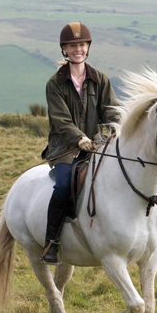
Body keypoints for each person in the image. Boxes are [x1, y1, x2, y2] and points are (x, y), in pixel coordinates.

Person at [40, 22, 120, 264]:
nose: (78, 49)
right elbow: (61, 121)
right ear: (64, 49)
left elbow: (113, 112)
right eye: (73, 45)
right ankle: (51, 242)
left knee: (130, 171)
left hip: (96, 145)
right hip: (65, 148)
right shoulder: (55, 84)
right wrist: (80, 138)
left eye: (82, 44)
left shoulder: (101, 80)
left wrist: (109, 134)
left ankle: (150, 222)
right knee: (64, 185)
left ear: (88, 47)